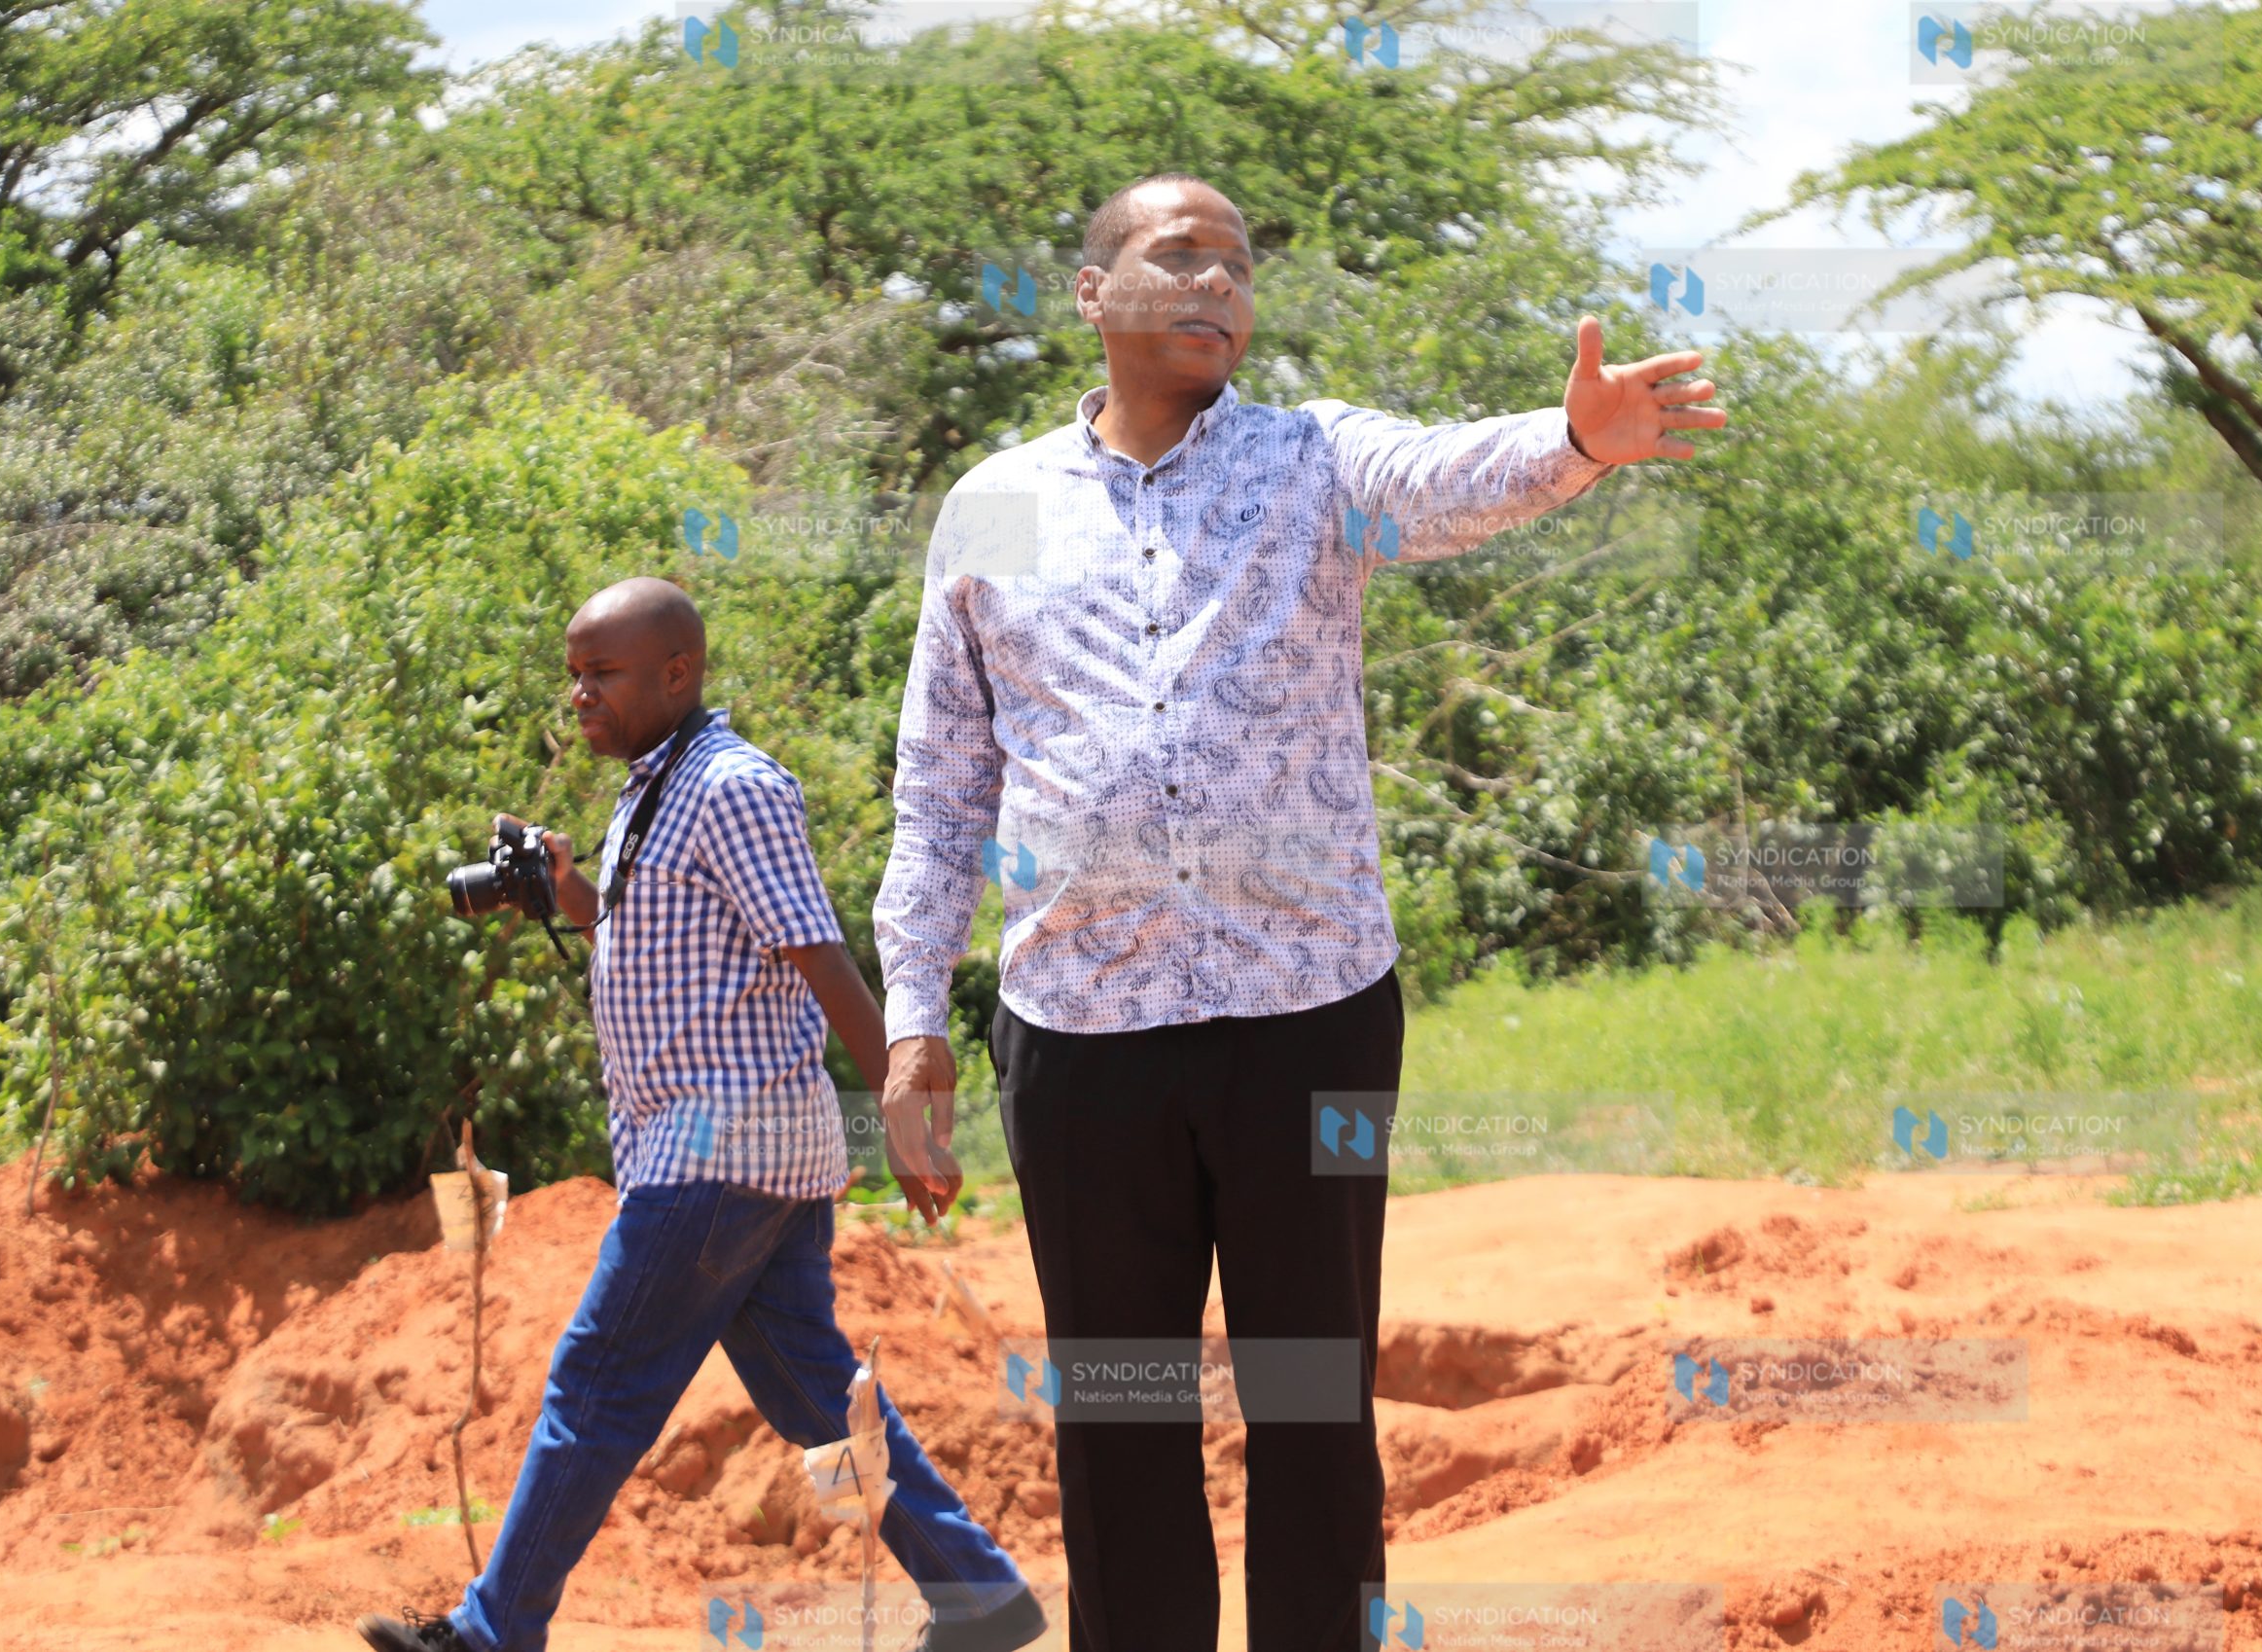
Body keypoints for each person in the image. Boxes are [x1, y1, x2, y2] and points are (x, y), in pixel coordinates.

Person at [871, 175, 1727, 1652]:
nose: (1217, 285)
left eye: (1239, 266)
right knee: (1122, 1423)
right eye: (1178, 255)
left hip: (1305, 1020)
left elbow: (1449, 477)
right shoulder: (991, 507)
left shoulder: (1309, 461)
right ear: (1091, 293)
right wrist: (910, 1021)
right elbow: (943, 788)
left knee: (1313, 1410)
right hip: (1082, 1036)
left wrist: (1578, 440)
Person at [359, 578, 1043, 1652]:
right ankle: (979, 1594)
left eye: (604, 673)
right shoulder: (652, 786)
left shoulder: (729, 786)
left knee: (595, 1385)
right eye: (573, 675)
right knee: (814, 1390)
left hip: (716, 1144)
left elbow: (818, 953)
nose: (579, 694)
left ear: (677, 674)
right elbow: (661, 945)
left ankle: (493, 1633)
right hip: (722, 1149)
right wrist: (570, 894)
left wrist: (904, 1124)